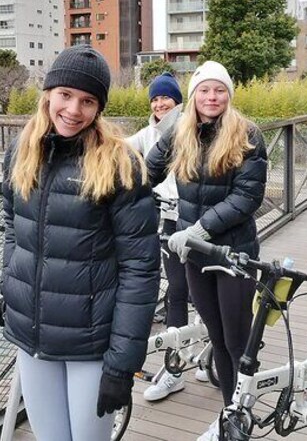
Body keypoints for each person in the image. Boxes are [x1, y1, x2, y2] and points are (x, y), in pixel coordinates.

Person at [0, 45, 161, 441]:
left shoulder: (120, 163)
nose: (73, 110)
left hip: (91, 342)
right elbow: (12, 226)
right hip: (32, 336)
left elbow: (141, 268)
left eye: (88, 101)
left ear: (99, 107)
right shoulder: (21, 151)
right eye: (65, 95)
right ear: (48, 93)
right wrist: (10, 287)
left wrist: (123, 365)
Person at [146, 60, 267, 441]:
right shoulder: (180, 131)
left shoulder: (247, 132)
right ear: (194, 95)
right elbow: (147, 172)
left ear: (228, 95)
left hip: (234, 253)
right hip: (194, 253)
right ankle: (230, 412)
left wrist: (199, 228)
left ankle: (237, 416)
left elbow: (248, 197)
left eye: (219, 90)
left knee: (235, 340)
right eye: (204, 90)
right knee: (215, 336)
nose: (211, 97)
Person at [127, 72, 208, 400]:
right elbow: (117, 150)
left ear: (178, 100)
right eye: (155, 99)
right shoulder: (147, 135)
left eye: (166, 98)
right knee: (177, 290)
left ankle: (206, 351)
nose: (160, 104)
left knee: (203, 292)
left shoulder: (195, 128)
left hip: (200, 222)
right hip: (169, 223)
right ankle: (174, 369)